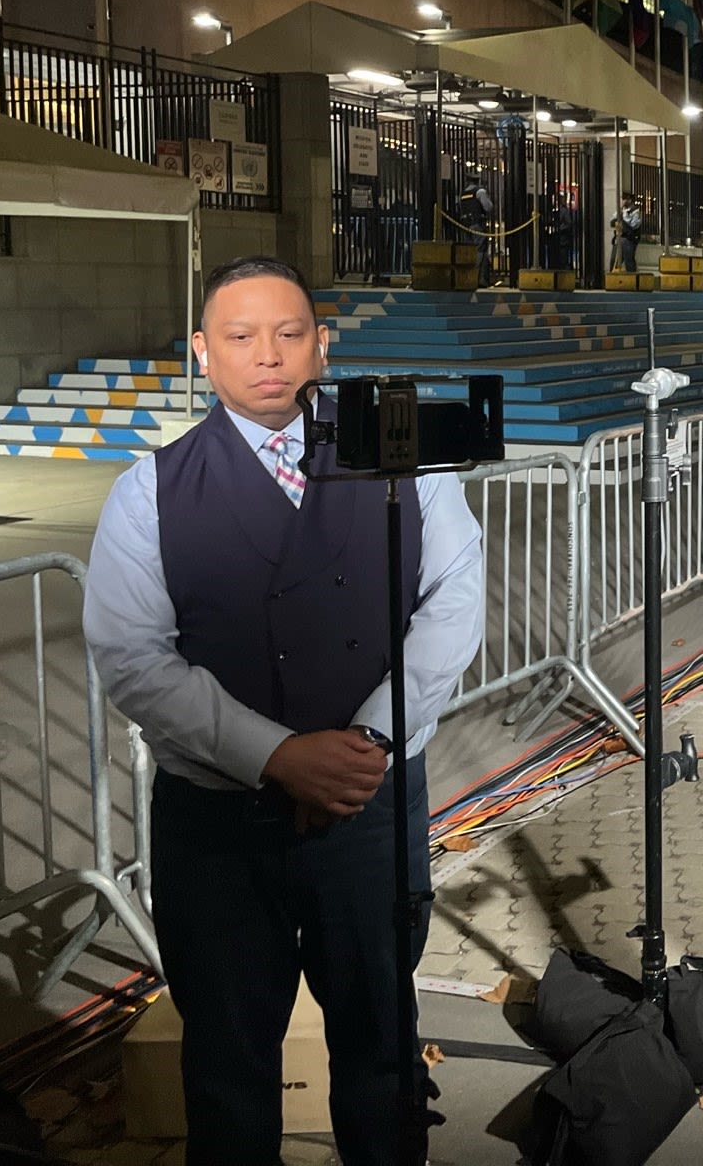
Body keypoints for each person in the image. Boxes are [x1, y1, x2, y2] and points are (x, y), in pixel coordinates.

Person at [84, 255, 483, 1166]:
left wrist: (367, 742)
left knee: (381, 1037)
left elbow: (453, 600)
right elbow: (133, 656)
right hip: (217, 820)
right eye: (240, 336)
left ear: (321, 344)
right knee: (227, 1055)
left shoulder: (402, 457)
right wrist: (276, 756)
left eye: (290, 332)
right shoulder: (149, 491)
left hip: (370, 802)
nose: (268, 355)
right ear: (202, 352)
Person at [457, 173, 494, 286]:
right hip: (477, 224)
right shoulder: (480, 192)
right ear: (477, 181)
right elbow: (488, 207)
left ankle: (468, 278)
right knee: (480, 251)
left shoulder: (462, 194)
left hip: (465, 226)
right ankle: (480, 278)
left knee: (469, 251)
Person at [610, 190, 642, 271]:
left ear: (629, 200)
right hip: (619, 238)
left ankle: (632, 279)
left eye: (624, 199)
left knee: (629, 261)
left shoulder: (635, 211)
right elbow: (612, 221)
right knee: (614, 261)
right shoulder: (621, 210)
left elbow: (634, 225)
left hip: (628, 239)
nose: (622, 201)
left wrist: (622, 220)